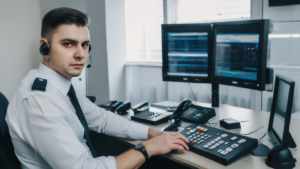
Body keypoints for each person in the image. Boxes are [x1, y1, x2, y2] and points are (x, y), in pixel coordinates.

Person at [5, 7, 189, 169]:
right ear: (44, 47)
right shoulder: (39, 102)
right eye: (68, 44)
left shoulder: (59, 86)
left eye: (85, 45)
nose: (80, 54)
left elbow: (102, 119)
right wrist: (149, 147)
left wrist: (153, 134)